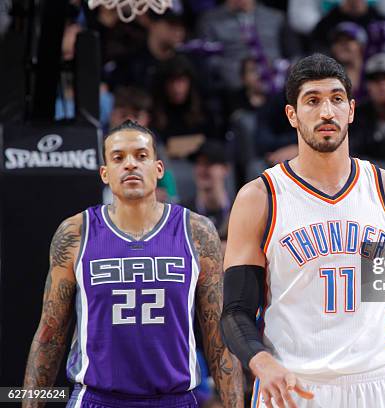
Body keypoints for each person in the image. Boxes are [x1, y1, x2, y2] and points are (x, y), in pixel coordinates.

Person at [221, 53, 385, 407]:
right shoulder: (260, 197)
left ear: (351, 110)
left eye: (336, 99)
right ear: (292, 114)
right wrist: (260, 363)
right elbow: (235, 311)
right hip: (293, 384)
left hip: (377, 383)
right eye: (313, 101)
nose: (327, 112)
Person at [22, 120, 243, 408]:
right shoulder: (76, 232)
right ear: (105, 173)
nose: (130, 165)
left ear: (158, 168)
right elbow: (50, 335)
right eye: (118, 157)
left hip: (174, 399)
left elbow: (219, 336)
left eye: (141, 156)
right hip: (96, 398)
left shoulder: (196, 231)